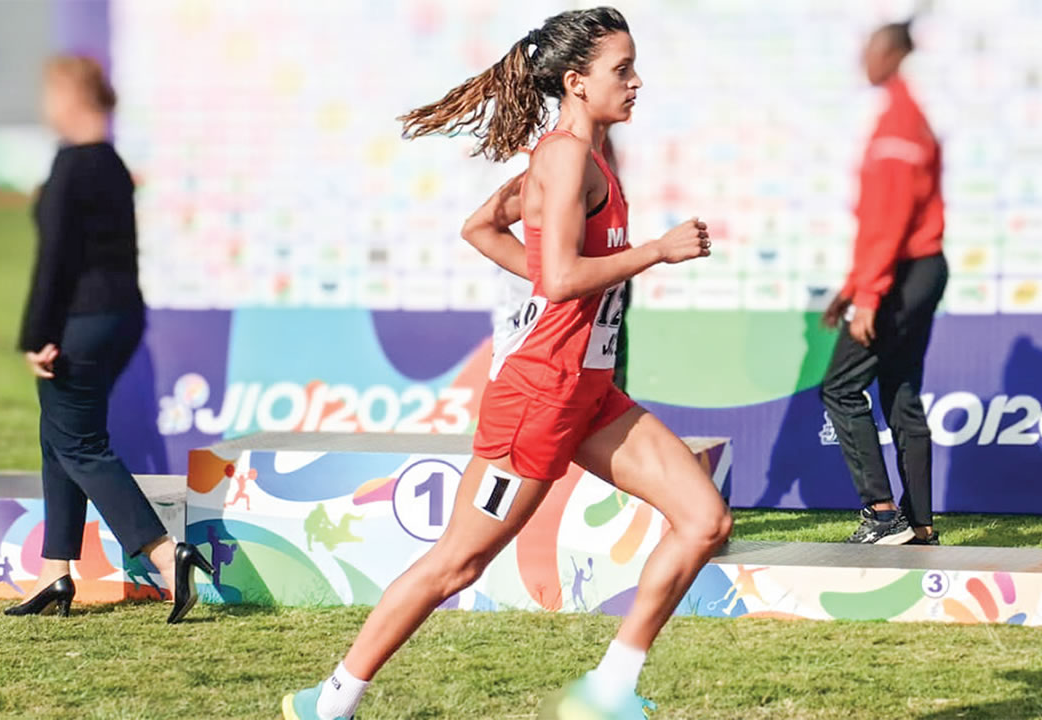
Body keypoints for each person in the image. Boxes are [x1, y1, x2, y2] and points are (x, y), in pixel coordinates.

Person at [281, 8, 729, 720]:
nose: (637, 82)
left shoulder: (582, 156)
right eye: (623, 70)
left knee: (705, 521)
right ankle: (330, 701)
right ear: (577, 82)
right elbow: (557, 279)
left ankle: (609, 690)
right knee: (459, 563)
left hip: (589, 392)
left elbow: (481, 229)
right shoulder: (562, 158)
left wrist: (567, 282)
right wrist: (654, 252)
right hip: (539, 401)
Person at [11, 55, 212, 621]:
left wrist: (38, 334)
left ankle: (167, 556)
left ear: (73, 98)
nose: (46, 106)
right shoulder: (111, 164)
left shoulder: (73, 164)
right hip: (120, 318)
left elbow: (55, 261)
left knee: (79, 442)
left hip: (82, 318)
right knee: (60, 435)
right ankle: (56, 574)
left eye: (51, 95)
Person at [820, 20, 948, 546]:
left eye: (871, 48)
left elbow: (890, 220)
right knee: (900, 392)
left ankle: (882, 513)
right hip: (917, 269)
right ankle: (919, 525)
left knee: (840, 385)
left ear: (893, 53)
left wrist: (869, 294)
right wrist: (853, 285)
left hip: (902, 274)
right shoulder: (904, 114)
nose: (863, 59)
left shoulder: (898, 123)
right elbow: (881, 220)